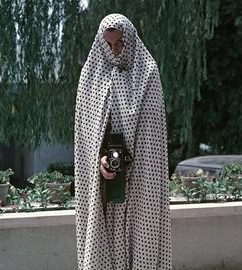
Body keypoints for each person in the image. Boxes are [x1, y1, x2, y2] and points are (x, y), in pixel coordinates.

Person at [74, 14, 172, 270]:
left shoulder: (148, 73)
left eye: (120, 44)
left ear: (130, 40)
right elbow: (86, 135)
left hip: (141, 182)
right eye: (109, 45)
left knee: (142, 242)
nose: (115, 51)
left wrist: (130, 158)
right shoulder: (90, 75)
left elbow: (153, 135)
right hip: (105, 186)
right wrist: (100, 160)